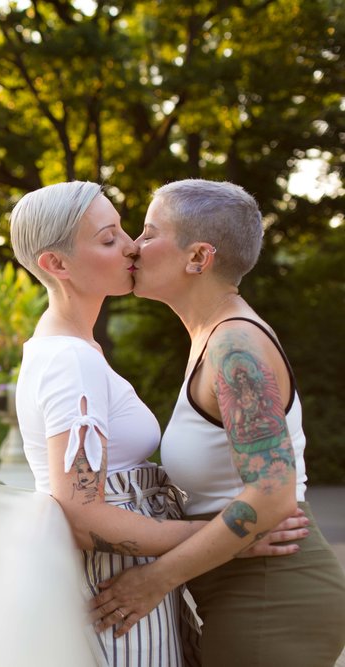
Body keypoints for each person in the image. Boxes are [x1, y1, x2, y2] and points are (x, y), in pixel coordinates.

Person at [9, 181, 306, 667]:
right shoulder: (68, 359)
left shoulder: (79, 352)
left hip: (129, 582)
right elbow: (83, 514)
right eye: (108, 239)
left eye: (127, 231)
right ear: (56, 264)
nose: (130, 246)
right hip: (116, 592)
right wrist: (230, 538)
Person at [91, 179, 345, 665]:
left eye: (148, 232)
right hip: (245, 590)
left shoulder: (235, 348)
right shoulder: (214, 337)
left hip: (273, 598)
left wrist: (154, 579)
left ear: (198, 257)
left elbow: (271, 493)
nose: (133, 246)